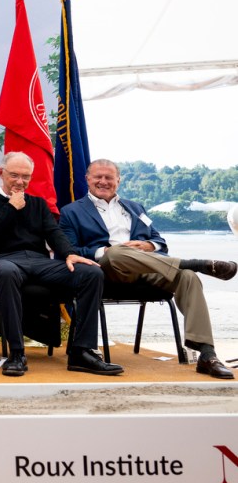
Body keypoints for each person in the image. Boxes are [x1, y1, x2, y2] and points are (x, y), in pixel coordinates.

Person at [60, 158, 236, 379]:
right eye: (98, 177)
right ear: (87, 179)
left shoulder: (135, 208)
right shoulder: (71, 211)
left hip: (145, 268)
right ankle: (197, 263)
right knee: (115, 252)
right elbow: (69, 251)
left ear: (118, 180)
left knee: (188, 277)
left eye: (109, 177)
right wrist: (102, 252)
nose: (103, 181)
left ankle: (206, 354)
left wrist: (148, 245)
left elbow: (159, 241)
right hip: (104, 271)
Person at [0, 152, 122, 377]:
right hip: (3, 260)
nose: (20, 182)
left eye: (26, 177)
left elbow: (54, 233)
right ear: (1, 173)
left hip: (39, 262)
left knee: (91, 273)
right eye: (14, 175)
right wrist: (10, 207)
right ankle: (16, 353)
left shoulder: (38, 204)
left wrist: (70, 254)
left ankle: (81, 352)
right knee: (7, 271)